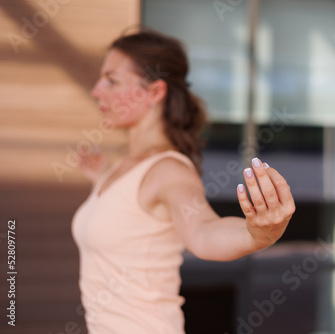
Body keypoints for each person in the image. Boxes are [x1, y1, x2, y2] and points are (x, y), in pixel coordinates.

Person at [71, 28, 295, 334]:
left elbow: (202, 231)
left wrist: (257, 234)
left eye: (112, 80)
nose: (97, 90)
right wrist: (100, 179)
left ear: (154, 93)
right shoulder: (124, 169)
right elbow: (129, 220)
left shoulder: (169, 172)